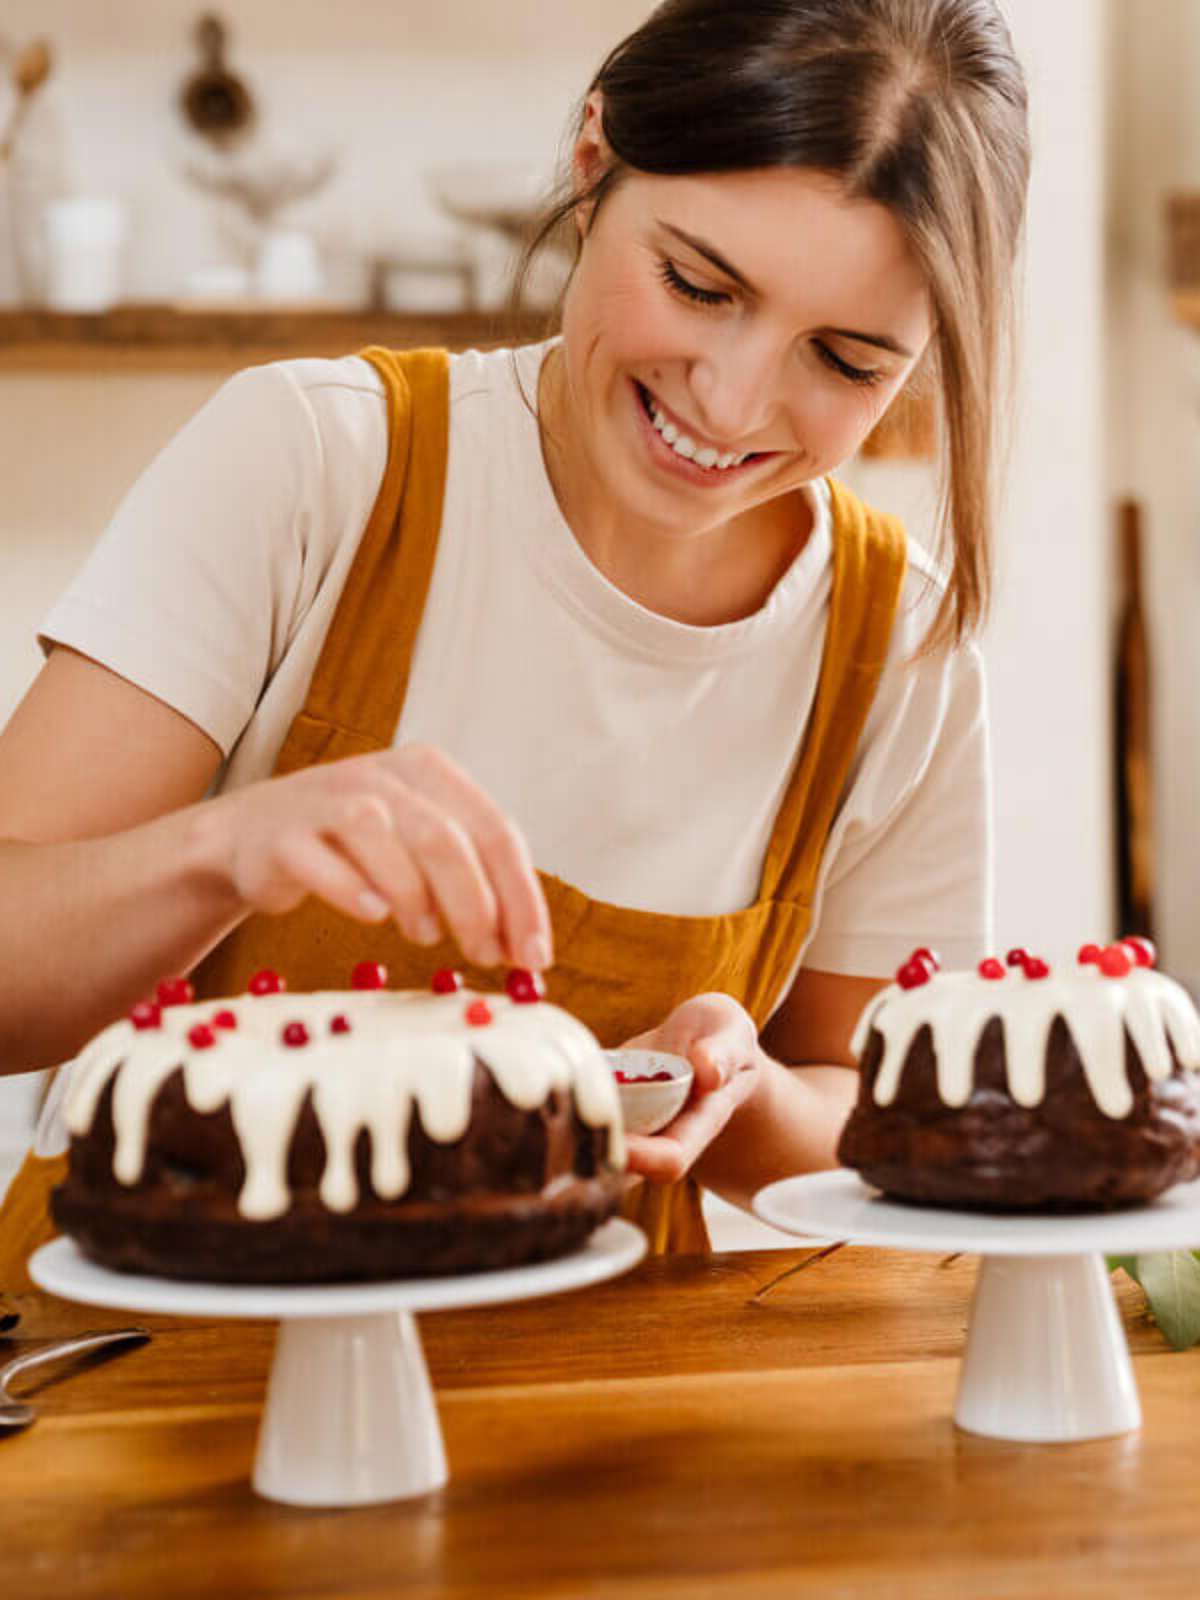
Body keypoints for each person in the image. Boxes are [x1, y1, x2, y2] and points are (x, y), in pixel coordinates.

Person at [0, 0, 1030, 1268]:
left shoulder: (899, 643)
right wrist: (225, 851)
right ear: (593, 166)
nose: (735, 396)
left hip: (583, 1426)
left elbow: (874, 1114)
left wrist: (743, 1087)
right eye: (699, 285)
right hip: (141, 1386)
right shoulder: (318, 463)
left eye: (848, 360)